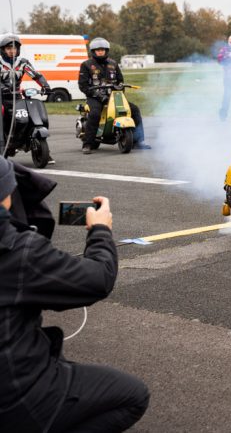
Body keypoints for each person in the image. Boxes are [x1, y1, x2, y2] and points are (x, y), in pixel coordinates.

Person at [0, 157, 150, 432]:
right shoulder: (19, 252)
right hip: (14, 395)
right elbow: (98, 279)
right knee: (133, 396)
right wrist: (101, 231)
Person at [77, 38, 151, 153]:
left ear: (106, 50)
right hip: (95, 97)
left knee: (135, 110)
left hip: (114, 97)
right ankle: (88, 144)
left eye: (102, 50)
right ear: (93, 51)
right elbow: (83, 85)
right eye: (98, 50)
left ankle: (138, 141)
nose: (100, 52)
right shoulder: (86, 65)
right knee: (95, 113)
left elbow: (120, 80)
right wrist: (98, 95)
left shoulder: (113, 63)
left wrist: (120, 87)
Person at [0, 33, 52, 147]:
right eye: (9, 48)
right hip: (2, 97)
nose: (12, 51)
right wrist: (3, 88)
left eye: (14, 48)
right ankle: (2, 144)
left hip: (17, 97)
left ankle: (35, 143)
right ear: (2, 49)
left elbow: (36, 75)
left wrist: (45, 86)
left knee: (28, 113)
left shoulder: (23, 62)